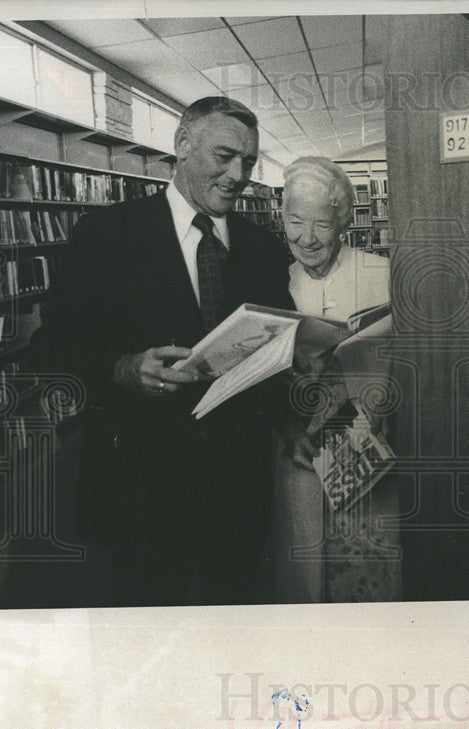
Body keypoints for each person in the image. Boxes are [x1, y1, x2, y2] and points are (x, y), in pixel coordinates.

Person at [35, 96, 294, 606]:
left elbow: (278, 349)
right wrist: (120, 367)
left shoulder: (263, 246)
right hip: (143, 482)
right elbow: (52, 347)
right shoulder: (107, 235)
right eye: (224, 156)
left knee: (233, 623)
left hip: (238, 483)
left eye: (248, 162)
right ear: (182, 145)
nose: (237, 174)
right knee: (148, 628)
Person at [266, 156, 399, 603]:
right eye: (295, 221)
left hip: (364, 433)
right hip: (296, 438)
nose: (306, 238)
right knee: (302, 562)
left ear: (342, 221)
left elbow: (406, 361)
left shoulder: (381, 275)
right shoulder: (271, 280)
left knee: (364, 562)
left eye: (322, 224)